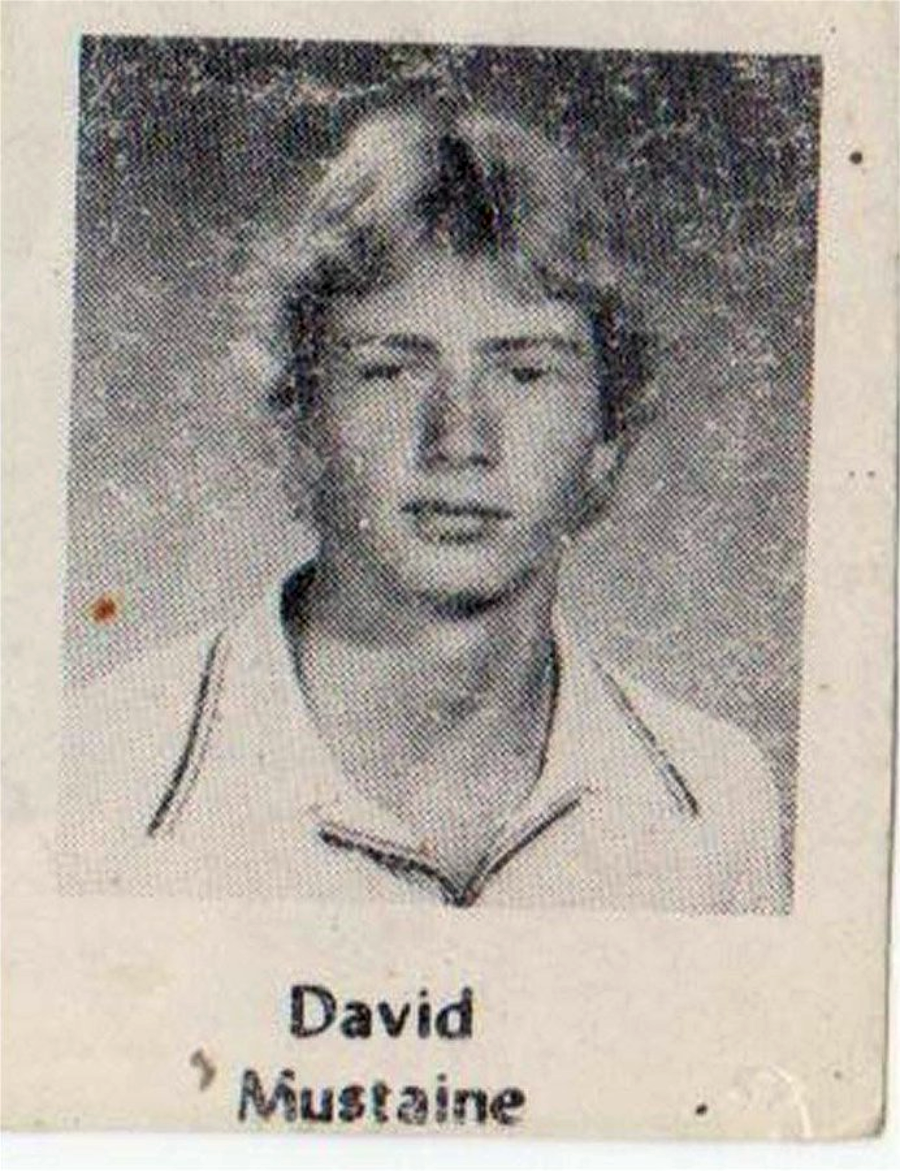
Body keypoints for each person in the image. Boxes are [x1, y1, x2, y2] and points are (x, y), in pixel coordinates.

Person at [58, 104, 788, 911]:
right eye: (392, 369)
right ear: (299, 422)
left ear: (606, 436)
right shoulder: (97, 772)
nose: (460, 438)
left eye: (526, 372)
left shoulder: (718, 802)